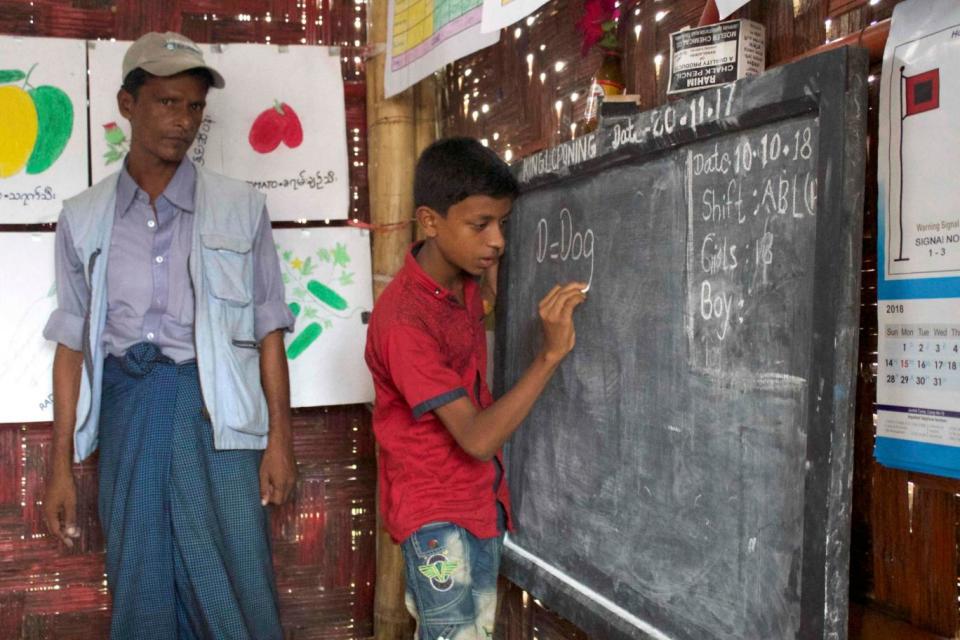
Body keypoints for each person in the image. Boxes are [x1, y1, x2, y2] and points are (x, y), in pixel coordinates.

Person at [41, 32, 297, 640]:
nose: (183, 121)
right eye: (166, 102)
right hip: (129, 412)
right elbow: (72, 344)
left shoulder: (241, 207)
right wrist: (59, 466)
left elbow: (267, 328)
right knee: (140, 571)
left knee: (236, 573)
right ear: (128, 105)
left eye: (194, 107)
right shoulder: (83, 217)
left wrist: (280, 442)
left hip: (218, 417)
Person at [364, 137, 586, 639]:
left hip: (477, 500)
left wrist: (490, 283)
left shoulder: (459, 280)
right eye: (479, 225)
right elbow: (478, 439)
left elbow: (482, 303)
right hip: (435, 516)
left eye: (503, 224)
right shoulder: (404, 323)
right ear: (429, 221)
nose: (498, 242)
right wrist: (549, 355)